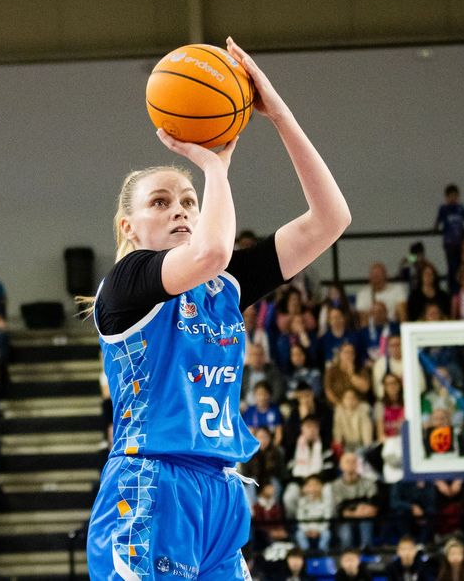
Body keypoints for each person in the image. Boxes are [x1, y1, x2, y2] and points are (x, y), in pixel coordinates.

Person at [84, 36, 351, 579]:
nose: (181, 210)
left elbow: (331, 219)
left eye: (189, 202)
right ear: (128, 227)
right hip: (151, 484)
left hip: (221, 491)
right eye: (161, 202)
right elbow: (211, 252)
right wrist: (214, 167)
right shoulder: (126, 283)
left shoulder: (221, 286)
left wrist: (277, 114)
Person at [435, 184, 464, 292]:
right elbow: (438, 221)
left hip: (460, 243)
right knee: (452, 267)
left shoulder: (460, 208)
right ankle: (452, 289)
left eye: (455, 196)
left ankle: (461, 288)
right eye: (451, 196)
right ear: (446, 197)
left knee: (462, 266)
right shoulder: (444, 209)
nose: (453, 198)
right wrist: (434, 230)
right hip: (449, 244)